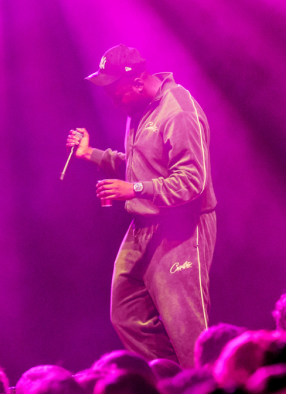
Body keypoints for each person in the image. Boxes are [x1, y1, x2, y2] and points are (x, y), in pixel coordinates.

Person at [66, 44, 217, 369]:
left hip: (181, 226)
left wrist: (134, 189)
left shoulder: (177, 110)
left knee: (187, 330)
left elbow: (192, 182)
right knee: (126, 315)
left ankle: (205, 386)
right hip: (144, 227)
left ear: (136, 83)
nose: (112, 100)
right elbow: (142, 166)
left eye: (115, 93)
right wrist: (90, 154)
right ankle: (174, 382)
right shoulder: (139, 108)